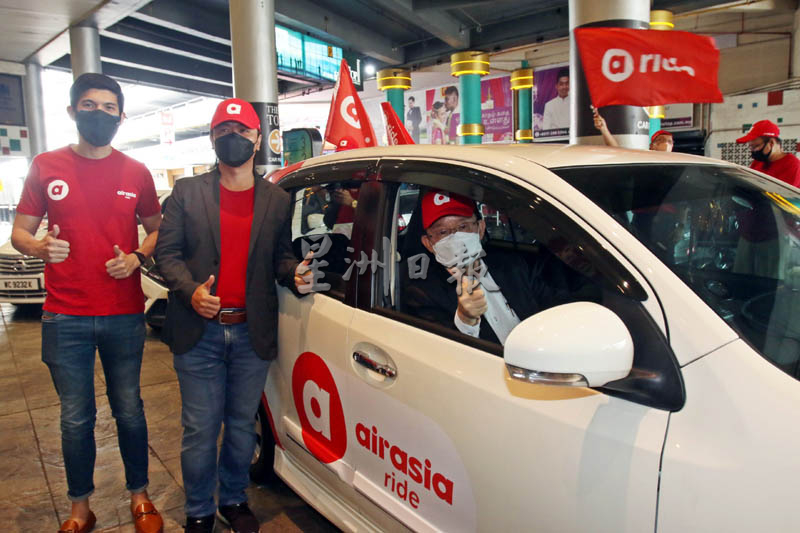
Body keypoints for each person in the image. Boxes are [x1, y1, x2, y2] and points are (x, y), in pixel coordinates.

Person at [11, 73, 163, 533]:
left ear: (121, 115)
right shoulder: (45, 166)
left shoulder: (136, 172)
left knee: (129, 410)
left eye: (109, 107)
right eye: (90, 105)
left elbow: (158, 230)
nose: (100, 114)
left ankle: (140, 495)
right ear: (73, 111)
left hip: (123, 313)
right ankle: (80, 508)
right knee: (75, 419)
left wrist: (137, 257)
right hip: (64, 316)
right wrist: (39, 247)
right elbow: (19, 232)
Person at [155, 98, 311, 533]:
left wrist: (294, 273)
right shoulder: (187, 192)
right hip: (199, 333)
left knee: (242, 426)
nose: (233, 138)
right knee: (200, 428)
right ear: (212, 138)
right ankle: (199, 509)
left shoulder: (277, 200)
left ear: (258, 140)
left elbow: (279, 258)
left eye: (242, 131)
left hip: (250, 332)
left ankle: (235, 500)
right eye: (224, 131)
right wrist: (190, 291)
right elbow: (167, 255)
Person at [404, 190, 570, 345]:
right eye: (443, 232)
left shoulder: (512, 265)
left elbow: (556, 306)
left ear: (480, 229)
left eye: (463, 227)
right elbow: (440, 353)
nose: (456, 237)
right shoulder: (422, 292)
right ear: (428, 243)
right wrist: (465, 319)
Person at [736, 119, 800, 187]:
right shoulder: (759, 161)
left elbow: (781, 192)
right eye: (751, 146)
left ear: (771, 143)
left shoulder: (793, 165)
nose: (753, 150)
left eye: (756, 146)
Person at [593, 107, 674, 152]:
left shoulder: (677, 162)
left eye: (670, 141)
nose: (666, 143)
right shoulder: (645, 158)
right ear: (651, 145)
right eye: (661, 140)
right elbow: (618, 151)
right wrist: (604, 129)